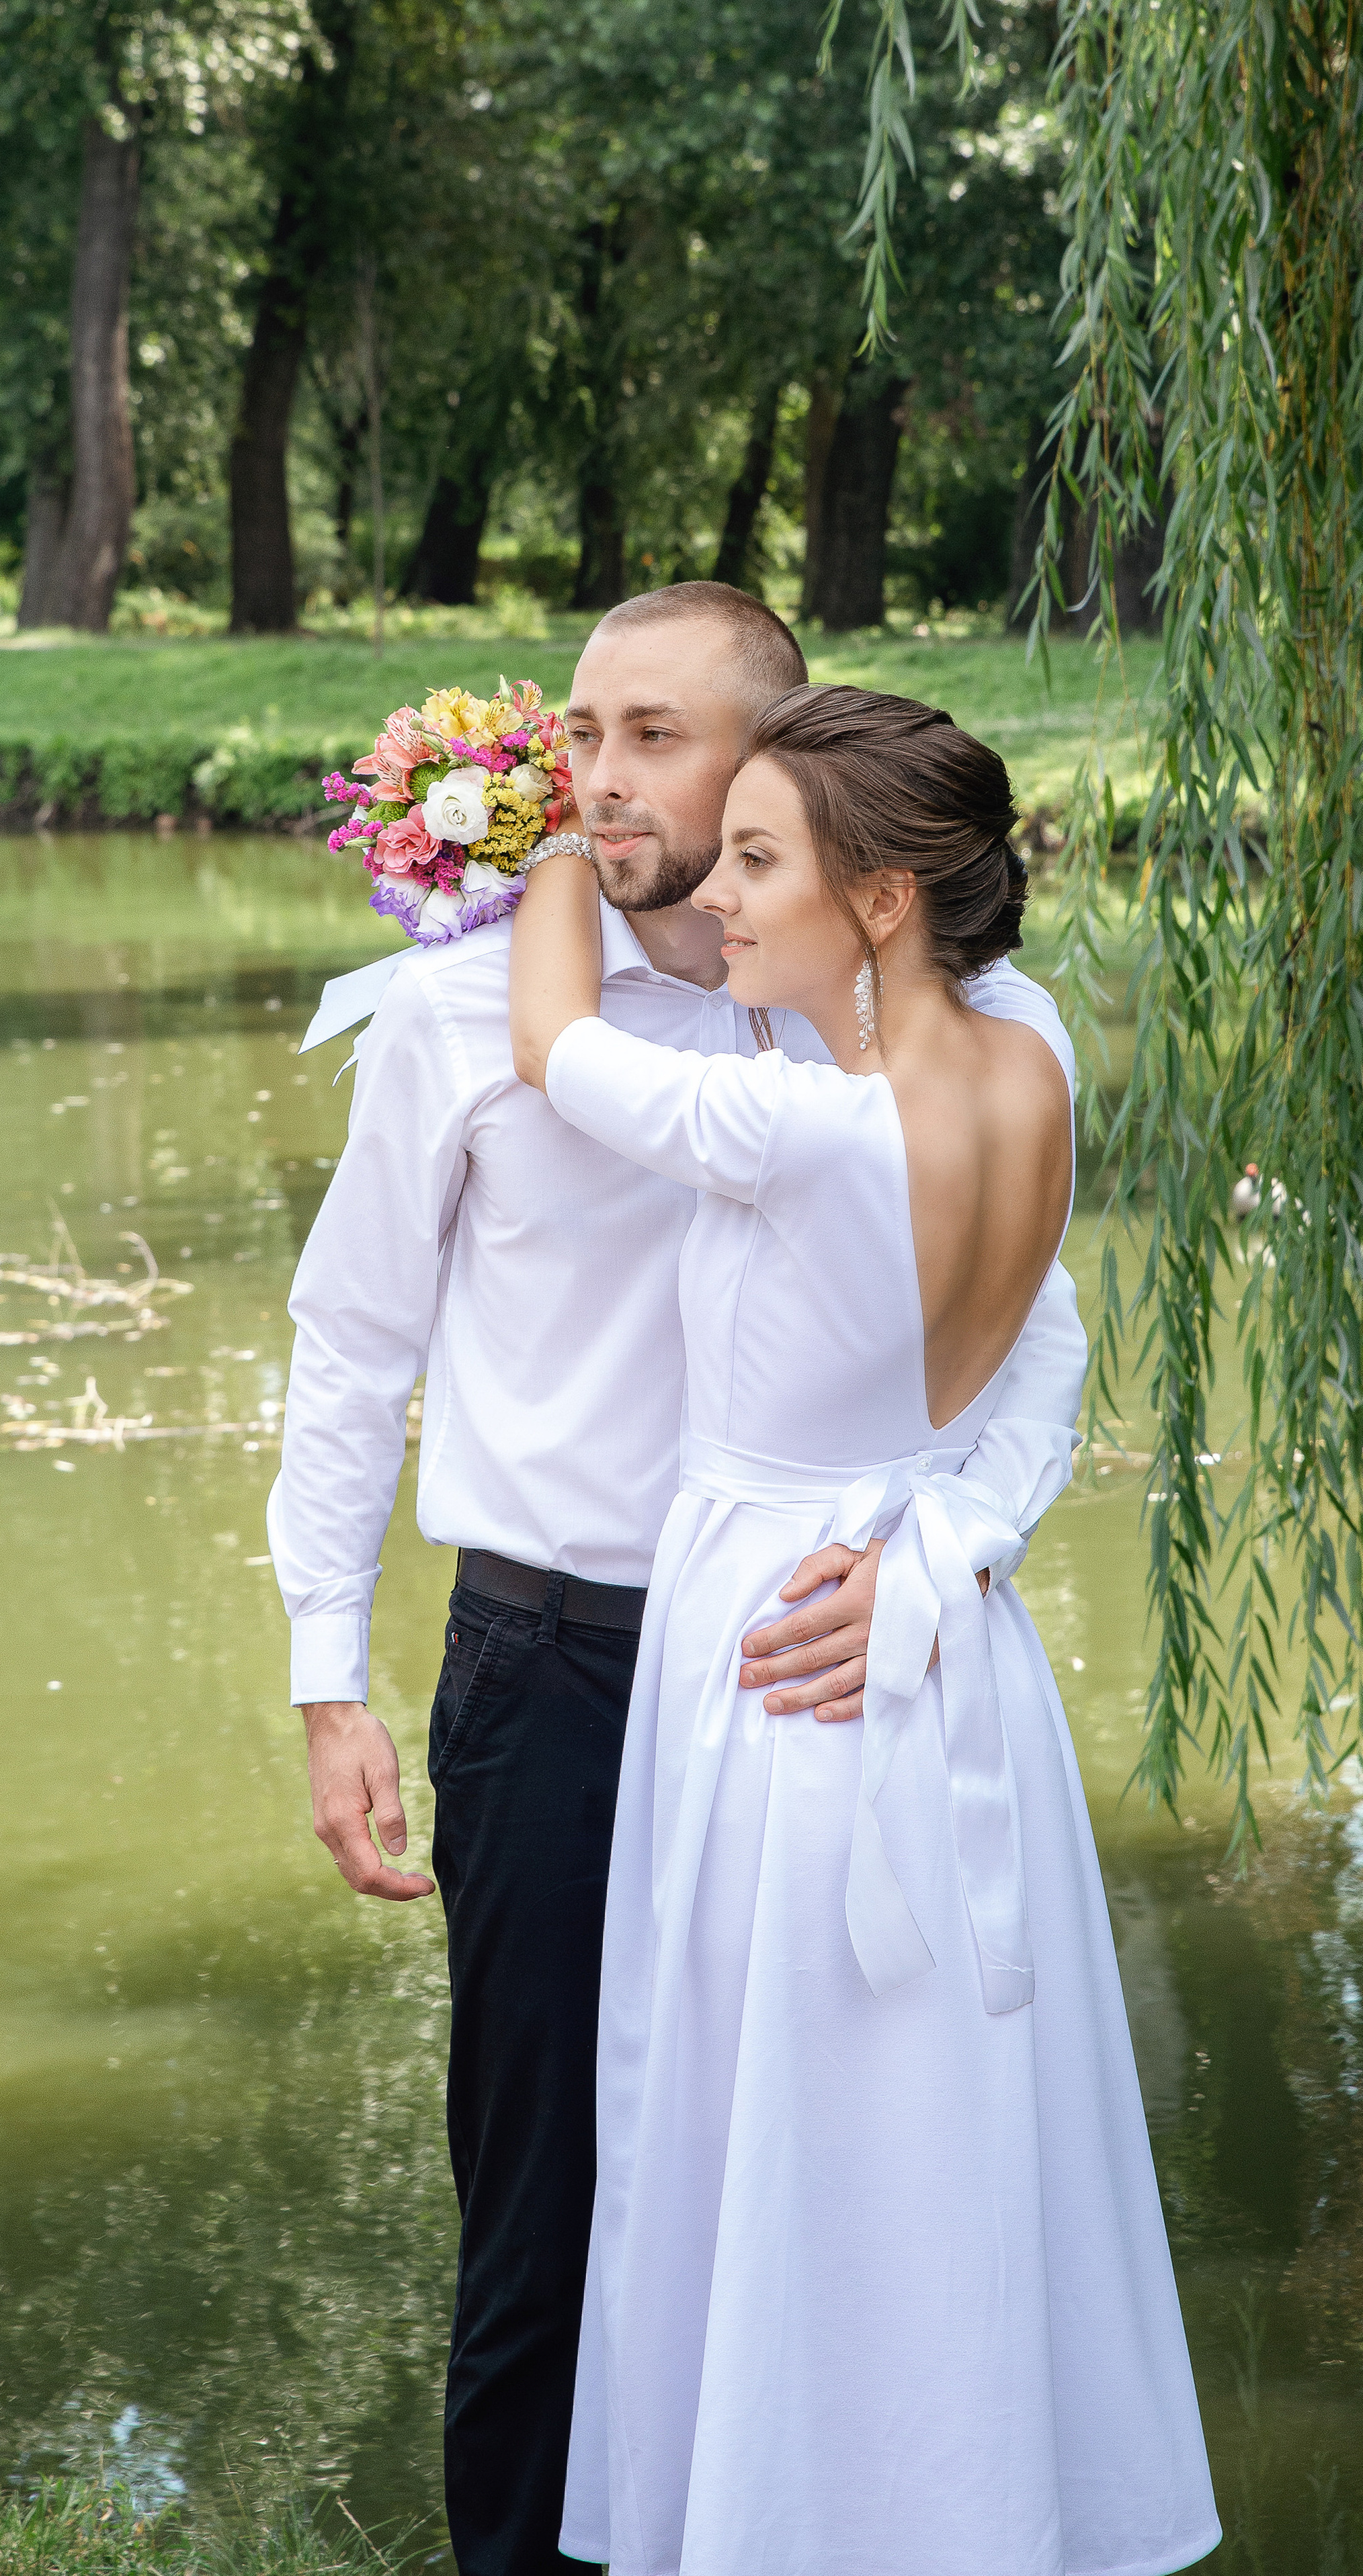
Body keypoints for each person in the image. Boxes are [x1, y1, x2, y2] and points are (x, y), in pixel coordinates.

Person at [267, 584, 1089, 2576]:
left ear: (782, 767)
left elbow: (1037, 1350)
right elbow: (350, 1347)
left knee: (828, 2211)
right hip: (551, 1679)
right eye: (579, 732)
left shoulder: (893, 1026)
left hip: (811, 1693)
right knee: (547, 2229)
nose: (598, 779)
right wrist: (327, 1675)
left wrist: (940, 1560)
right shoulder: (455, 1016)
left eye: (654, 738)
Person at [509, 684, 1219, 2576]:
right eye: (717, 856)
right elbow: (1050, 1353)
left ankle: (795, 2523)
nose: (721, 900)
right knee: (948, 2126)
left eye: (757, 860)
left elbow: (557, 1045)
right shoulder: (1034, 1054)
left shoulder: (798, 1124)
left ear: (887, 897)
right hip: (928, 1631)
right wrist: (952, 1546)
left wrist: (537, 839)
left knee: (795, 2118)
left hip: (782, 1657)